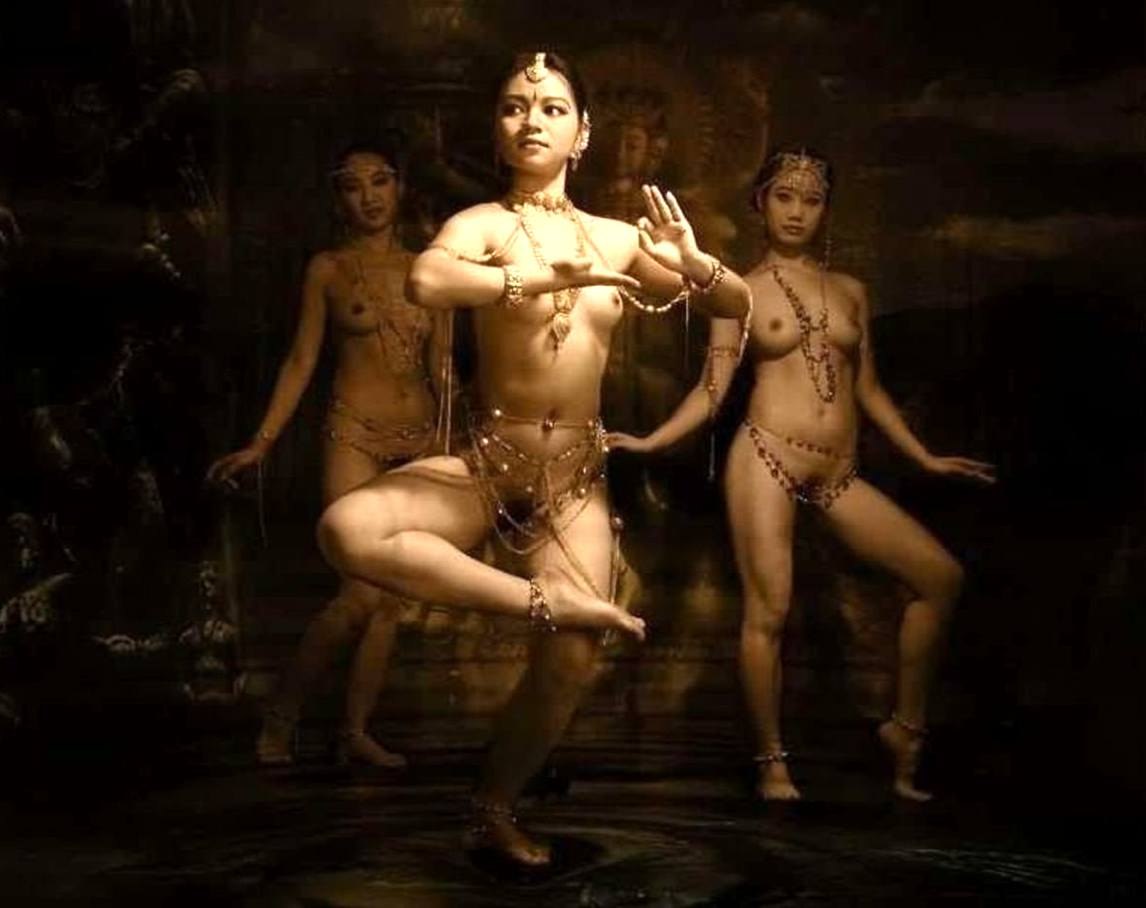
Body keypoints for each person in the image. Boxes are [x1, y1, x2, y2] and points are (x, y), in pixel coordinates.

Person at [317, 51, 750, 866]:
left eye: (552, 108)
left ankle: (494, 806)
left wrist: (695, 264)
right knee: (347, 529)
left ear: (581, 133)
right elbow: (428, 282)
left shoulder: (619, 238)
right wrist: (535, 278)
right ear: (498, 129)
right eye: (516, 106)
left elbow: (732, 303)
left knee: (573, 657)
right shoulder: (480, 224)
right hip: (491, 460)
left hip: (575, 475)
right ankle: (545, 600)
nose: (532, 120)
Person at [609, 147, 994, 802]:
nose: (797, 212)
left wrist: (923, 457)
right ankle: (772, 764)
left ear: (825, 211)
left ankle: (905, 729)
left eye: (812, 200)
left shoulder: (851, 291)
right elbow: (714, 385)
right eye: (784, 197)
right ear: (759, 203)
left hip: (837, 469)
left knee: (940, 579)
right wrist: (654, 440)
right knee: (770, 611)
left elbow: (867, 390)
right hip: (766, 454)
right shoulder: (739, 290)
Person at [208, 142, 446, 769]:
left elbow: (444, 369)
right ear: (338, 199)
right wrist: (261, 442)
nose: (369, 196)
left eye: (380, 181)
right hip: (353, 437)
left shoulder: (430, 268)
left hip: (418, 441)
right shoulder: (328, 269)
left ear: (400, 187)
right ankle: (281, 719)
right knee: (359, 595)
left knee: (393, 598)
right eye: (352, 185)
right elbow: (301, 361)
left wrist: (460, 442)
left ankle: (355, 732)